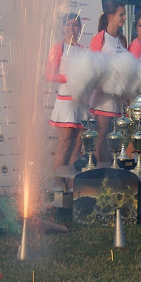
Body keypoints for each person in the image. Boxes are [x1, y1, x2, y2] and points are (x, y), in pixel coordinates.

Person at [46, 13, 88, 191]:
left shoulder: (83, 50)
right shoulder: (58, 48)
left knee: (78, 145)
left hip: (81, 102)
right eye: (69, 25)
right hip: (65, 101)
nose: (72, 28)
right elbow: (50, 75)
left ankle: (72, 185)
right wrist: (70, 78)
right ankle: (59, 185)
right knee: (64, 144)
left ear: (80, 28)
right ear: (63, 27)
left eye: (75, 25)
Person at [89, 0, 128, 162]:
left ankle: (110, 169)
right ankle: (99, 170)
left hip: (118, 98)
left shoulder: (122, 39)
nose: (124, 18)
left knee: (113, 137)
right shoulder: (100, 38)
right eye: (121, 15)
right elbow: (91, 66)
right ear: (110, 16)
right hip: (102, 98)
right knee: (102, 134)